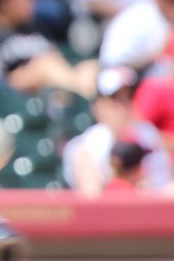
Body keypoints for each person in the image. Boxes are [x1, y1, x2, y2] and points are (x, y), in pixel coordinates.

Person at [62, 66, 170, 196]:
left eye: (129, 96)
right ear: (98, 106)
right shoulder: (86, 146)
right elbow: (91, 199)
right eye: (116, 99)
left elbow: (163, 185)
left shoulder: (148, 135)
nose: (124, 106)